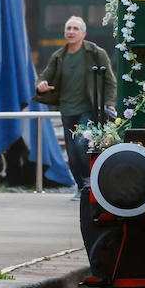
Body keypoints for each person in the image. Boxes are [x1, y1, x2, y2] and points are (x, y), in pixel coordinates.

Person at [35, 16, 117, 200]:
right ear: (65, 32)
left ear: (83, 33)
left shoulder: (96, 53)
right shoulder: (59, 56)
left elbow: (110, 80)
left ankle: (90, 182)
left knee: (82, 144)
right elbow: (43, 77)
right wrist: (41, 85)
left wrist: (109, 103)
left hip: (88, 109)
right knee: (72, 152)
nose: (71, 31)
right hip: (67, 110)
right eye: (68, 28)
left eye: (75, 29)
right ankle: (81, 188)